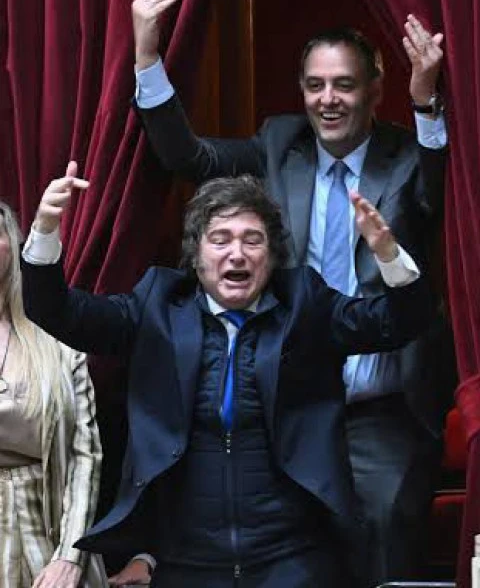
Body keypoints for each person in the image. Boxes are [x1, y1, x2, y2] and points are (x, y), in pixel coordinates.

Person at [130, 0, 453, 584]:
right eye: (315, 85)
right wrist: (148, 57)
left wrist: (426, 104)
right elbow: (190, 159)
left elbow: (441, 198)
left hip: (380, 411)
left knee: (384, 547)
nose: (328, 100)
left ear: (375, 90)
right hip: (288, 405)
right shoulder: (280, 145)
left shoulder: (407, 156)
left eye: (344, 85)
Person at [21, 165, 434, 588]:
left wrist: (387, 254)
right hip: (186, 559)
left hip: (293, 557)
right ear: (196, 255)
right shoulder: (157, 305)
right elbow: (58, 312)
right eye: (220, 239)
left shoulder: (304, 304)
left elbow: (401, 321)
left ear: (271, 256)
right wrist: (46, 232)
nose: (237, 254)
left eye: (253, 240)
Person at [0, 200, 107, 587]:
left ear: (12, 245)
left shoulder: (55, 339)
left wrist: (70, 556)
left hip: (49, 535)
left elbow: (85, 457)